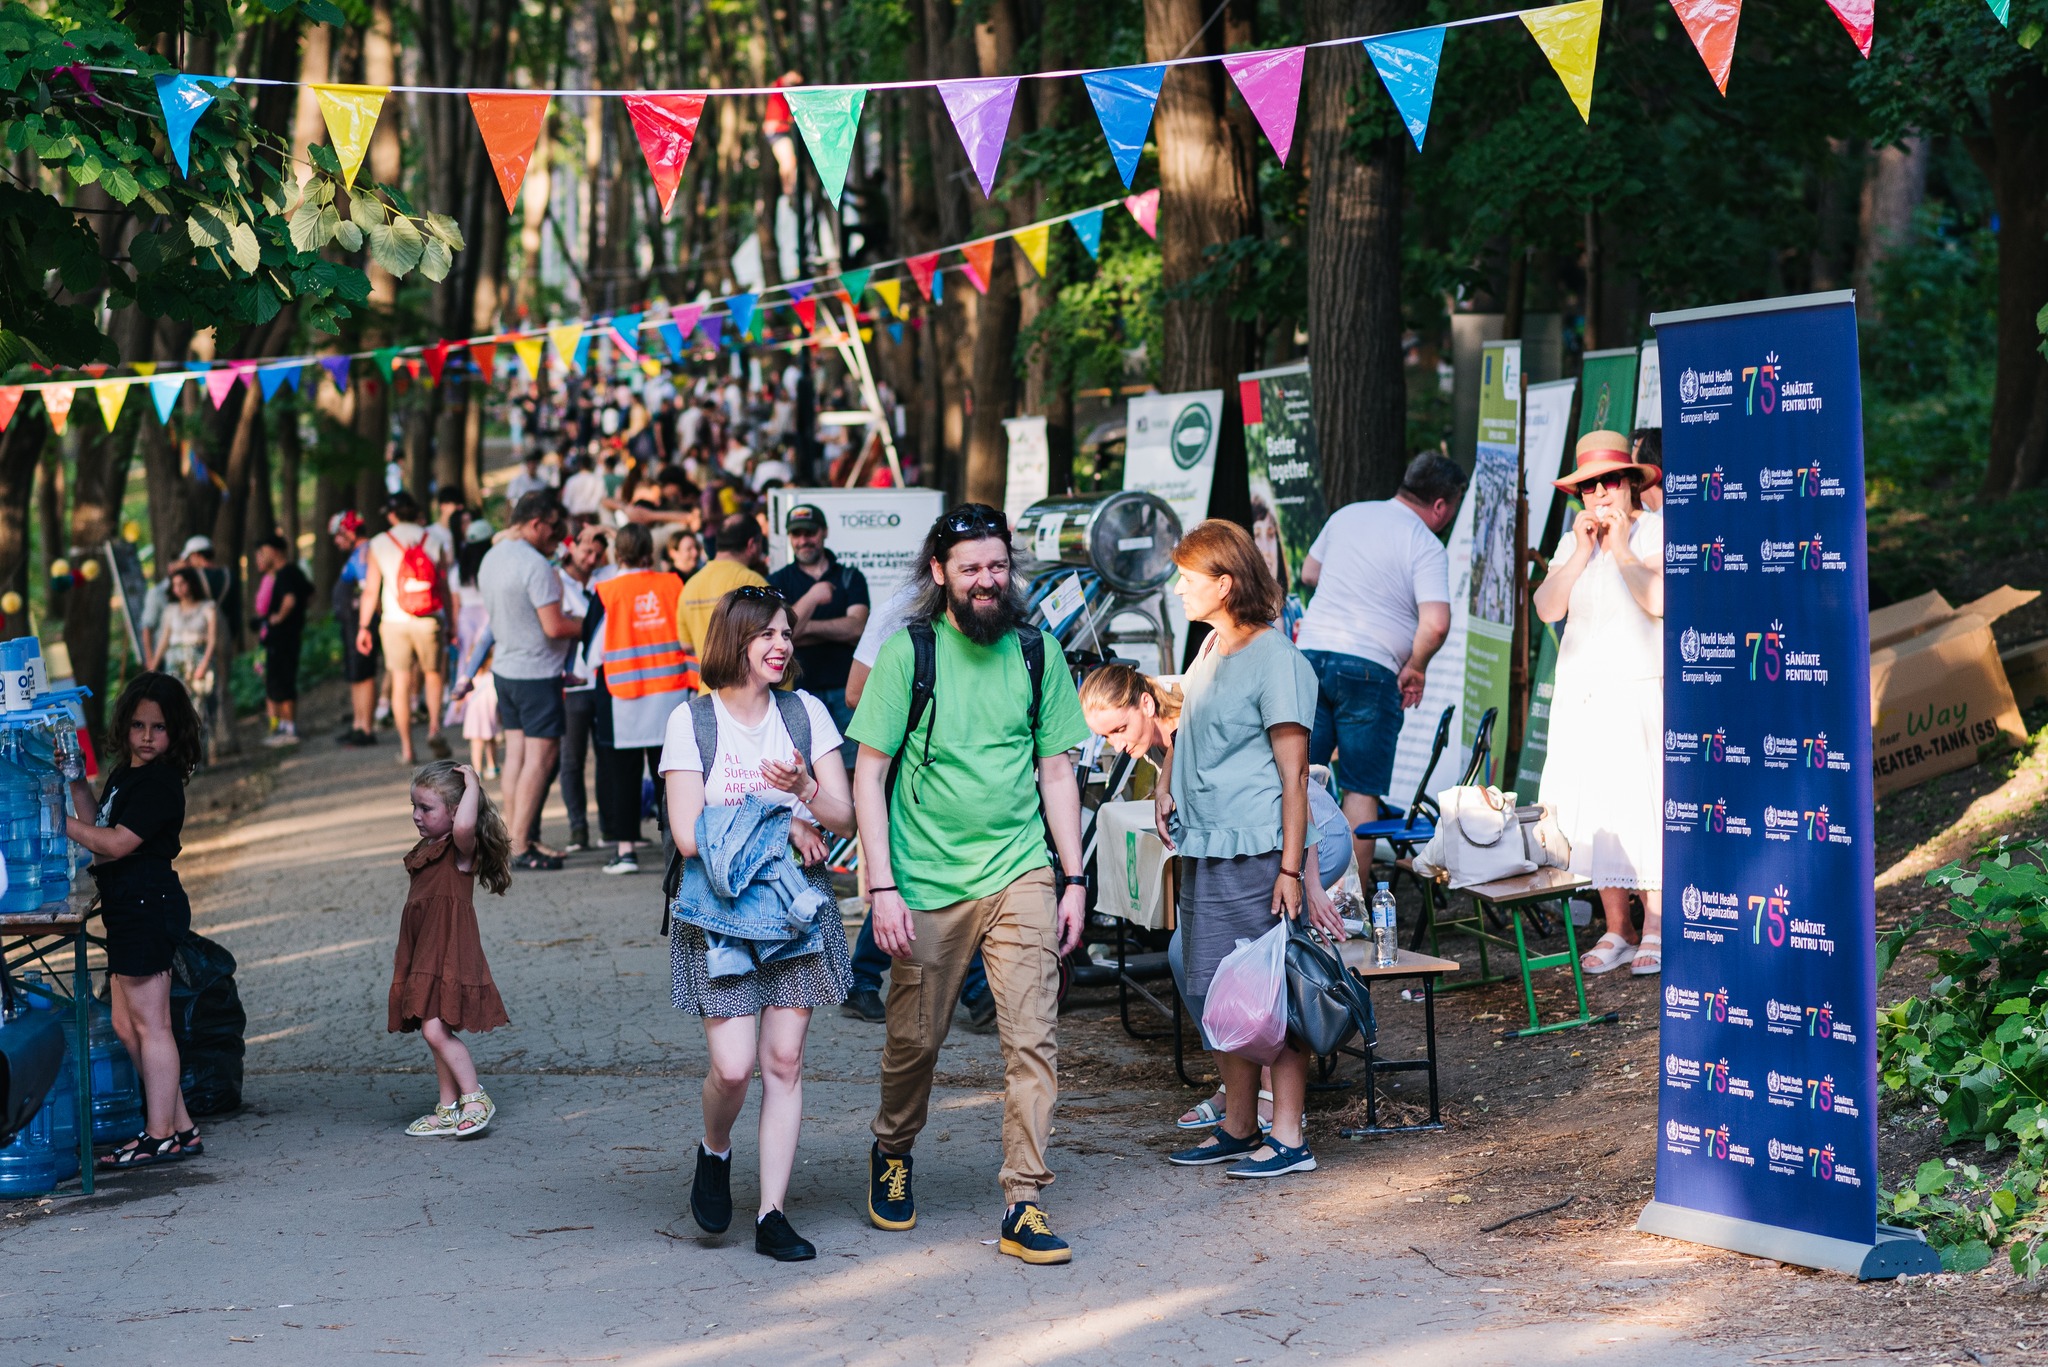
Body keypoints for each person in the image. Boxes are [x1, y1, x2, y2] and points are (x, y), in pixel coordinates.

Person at [846, 503, 1091, 1266]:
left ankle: (1025, 1198)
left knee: (1033, 1039)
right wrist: (880, 886)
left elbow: (1057, 770)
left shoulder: (1036, 651)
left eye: (996, 566)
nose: (987, 581)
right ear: (940, 575)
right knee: (914, 1041)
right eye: (971, 569)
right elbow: (870, 771)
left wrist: (1074, 874)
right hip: (923, 879)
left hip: (1021, 868)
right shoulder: (908, 652)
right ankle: (893, 1147)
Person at [660, 587, 852, 1260]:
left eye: (786, 633)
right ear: (733, 640)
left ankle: (772, 1211)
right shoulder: (694, 721)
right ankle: (715, 1147)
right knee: (735, 1066)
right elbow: (688, 835)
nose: (780, 644)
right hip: (722, 913)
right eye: (766, 633)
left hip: (796, 909)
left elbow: (845, 815)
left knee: (784, 1060)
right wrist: (786, 821)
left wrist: (806, 793)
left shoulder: (805, 714)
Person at [1079, 663, 1353, 1134]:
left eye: (1120, 728)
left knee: (1252, 958)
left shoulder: (1203, 724)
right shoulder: (1163, 744)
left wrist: (1307, 882)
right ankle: (1236, 1080)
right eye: (1106, 737)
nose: (1118, 744)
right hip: (1263, 845)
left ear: (1146, 704)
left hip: (1312, 840)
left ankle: (1271, 1094)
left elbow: (1295, 791)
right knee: (1188, 954)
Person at [1154, 520, 1346, 1179]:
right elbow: (1184, 725)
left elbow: (1297, 776)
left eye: (1188, 578)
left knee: (1268, 993)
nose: (1178, 588)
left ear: (1225, 583)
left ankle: (1289, 1136)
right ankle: (1239, 1125)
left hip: (1261, 851)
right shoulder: (1211, 647)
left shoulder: (1277, 659)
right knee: (1217, 992)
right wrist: (1164, 780)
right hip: (1206, 849)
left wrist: (1294, 870)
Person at [1533, 431, 1666, 977]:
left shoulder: (1657, 529)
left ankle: (1657, 925)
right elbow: (1546, 608)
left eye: (1610, 480)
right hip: (1584, 693)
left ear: (1632, 482)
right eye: (1588, 486)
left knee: (1644, 804)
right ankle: (1619, 928)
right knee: (1601, 811)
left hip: (1638, 687)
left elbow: (1659, 599)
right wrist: (1584, 551)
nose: (1599, 494)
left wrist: (1620, 547)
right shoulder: (1573, 544)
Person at [65, 672, 205, 1167]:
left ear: (176, 733)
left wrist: (54, 821)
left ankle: (159, 1133)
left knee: (152, 1025)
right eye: (139, 725)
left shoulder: (160, 784)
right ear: (125, 726)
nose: (147, 736)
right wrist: (78, 783)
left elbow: (117, 844)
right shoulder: (127, 775)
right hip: (126, 906)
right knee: (128, 1024)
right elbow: (100, 828)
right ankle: (181, 1127)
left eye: (159, 727)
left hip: (148, 904)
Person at [1295, 452, 1466, 852]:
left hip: (1309, 659)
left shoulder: (1348, 515)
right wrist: (1416, 666)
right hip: (1370, 673)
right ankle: (1349, 908)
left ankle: (1294, 897)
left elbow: (1309, 572)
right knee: (1360, 791)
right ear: (1440, 505)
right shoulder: (1425, 543)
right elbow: (1436, 622)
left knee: (1297, 779)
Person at [389, 760, 513, 1139]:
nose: (416, 816)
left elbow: (464, 826)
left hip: (447, 948)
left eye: (426, 808)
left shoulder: (461, 850)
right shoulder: (430, 846)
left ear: (459, 812)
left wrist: (473, 782)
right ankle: (448, 1108)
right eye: (414, 806)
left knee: (434, 1029)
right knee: (432, 1023)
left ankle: (475, 1098)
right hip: (424, 947)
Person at [476, 491, 583, 871]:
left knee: (516, 757)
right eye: (554, 528)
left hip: (506, 669)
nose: (558, 536)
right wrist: (590, 624)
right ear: (537, 523)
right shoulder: (535, 565)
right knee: (541, 757)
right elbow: (554, 626)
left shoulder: (492, 558)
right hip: (537, 673)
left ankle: (513, 837)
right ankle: (519, 845)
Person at [586, 523, 695, 875]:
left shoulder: (606, 591)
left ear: (617, 552)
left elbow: (592, 653)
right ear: (650, 549)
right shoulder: (673, 584)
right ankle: (679, 848)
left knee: (623, 775)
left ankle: (626, 850)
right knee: (670, 776)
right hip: (671, 695)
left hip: (624, 698)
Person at [356, 492, 454, 767]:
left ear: (391, 514)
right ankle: (434, 727)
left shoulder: (379, 543)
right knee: (433, 676)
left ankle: (407, 748)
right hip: (429, 619)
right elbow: (444, 587)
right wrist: (452, 623)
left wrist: (364, 627)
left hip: (394, 621)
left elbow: (371, 591)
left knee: (399, 681)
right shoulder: (433, 540)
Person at [766, 504, 869, 735]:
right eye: (796, 534)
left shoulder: (850, 576)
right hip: (796, 692)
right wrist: (813, 597)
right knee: (802, 764)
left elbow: (856, 628)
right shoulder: (777, 580)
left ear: (824, 532)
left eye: (810, 533)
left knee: (851, 767)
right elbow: (776, 636)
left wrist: (803, 628)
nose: (803, 540)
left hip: (846, 690)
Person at [555, 521, 613, 854]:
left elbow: (632, 557)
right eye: (586, 550)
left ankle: (611, 828)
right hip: (571, 682)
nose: (591, 558)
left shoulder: (606, 577)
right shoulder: (554, 578)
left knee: (608, 757)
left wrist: (608, 529)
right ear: (571, 546)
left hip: (604, 680)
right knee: (571, 759)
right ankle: (578, 828)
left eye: (598, 553)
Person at [677, 515, 769, 681]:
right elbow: (776, 634)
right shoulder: (753, 583)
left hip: (708, 693)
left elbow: (686, 644)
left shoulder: (690, 586)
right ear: (751, 545)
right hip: (749, 694)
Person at [251, 534, 312, 746]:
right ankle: (284, 727)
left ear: (275, 551)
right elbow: (309, 593)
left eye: (263, 551)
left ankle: (288, 728)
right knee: (278, 680)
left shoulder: (286, 574)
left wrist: (278, 618)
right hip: (286, 637)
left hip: (283, 638)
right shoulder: (292, 573)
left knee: (282, 681)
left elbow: (291, 599)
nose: (260, 556)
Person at [331, 511, 381, 747]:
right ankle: (358, 724)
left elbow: (368, 588)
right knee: (355, 675)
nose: (336, 541)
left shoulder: (366, 553)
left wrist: (365, 625)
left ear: (350, 532)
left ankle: (366, 727)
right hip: (352, 623)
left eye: (339, 535)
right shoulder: (357, 554)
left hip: (362, 624)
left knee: (364, 674)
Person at [148, 566, 217, 700]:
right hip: (174, 660)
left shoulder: (207, 608)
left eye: (182, 584)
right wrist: (153, 666)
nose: (178, 588)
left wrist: (204, 664)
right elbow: (164, 640)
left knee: (198, 702)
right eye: (175, 585)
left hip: (198, 657)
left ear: (191, 583)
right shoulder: (171, 610)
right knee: (174, 700)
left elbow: (211, 640)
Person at [561, 454, 606, 518]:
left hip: (575, 515)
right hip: (592, 517)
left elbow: (566, 502)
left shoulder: (571, 481)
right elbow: (601, 498)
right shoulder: (598, 480)